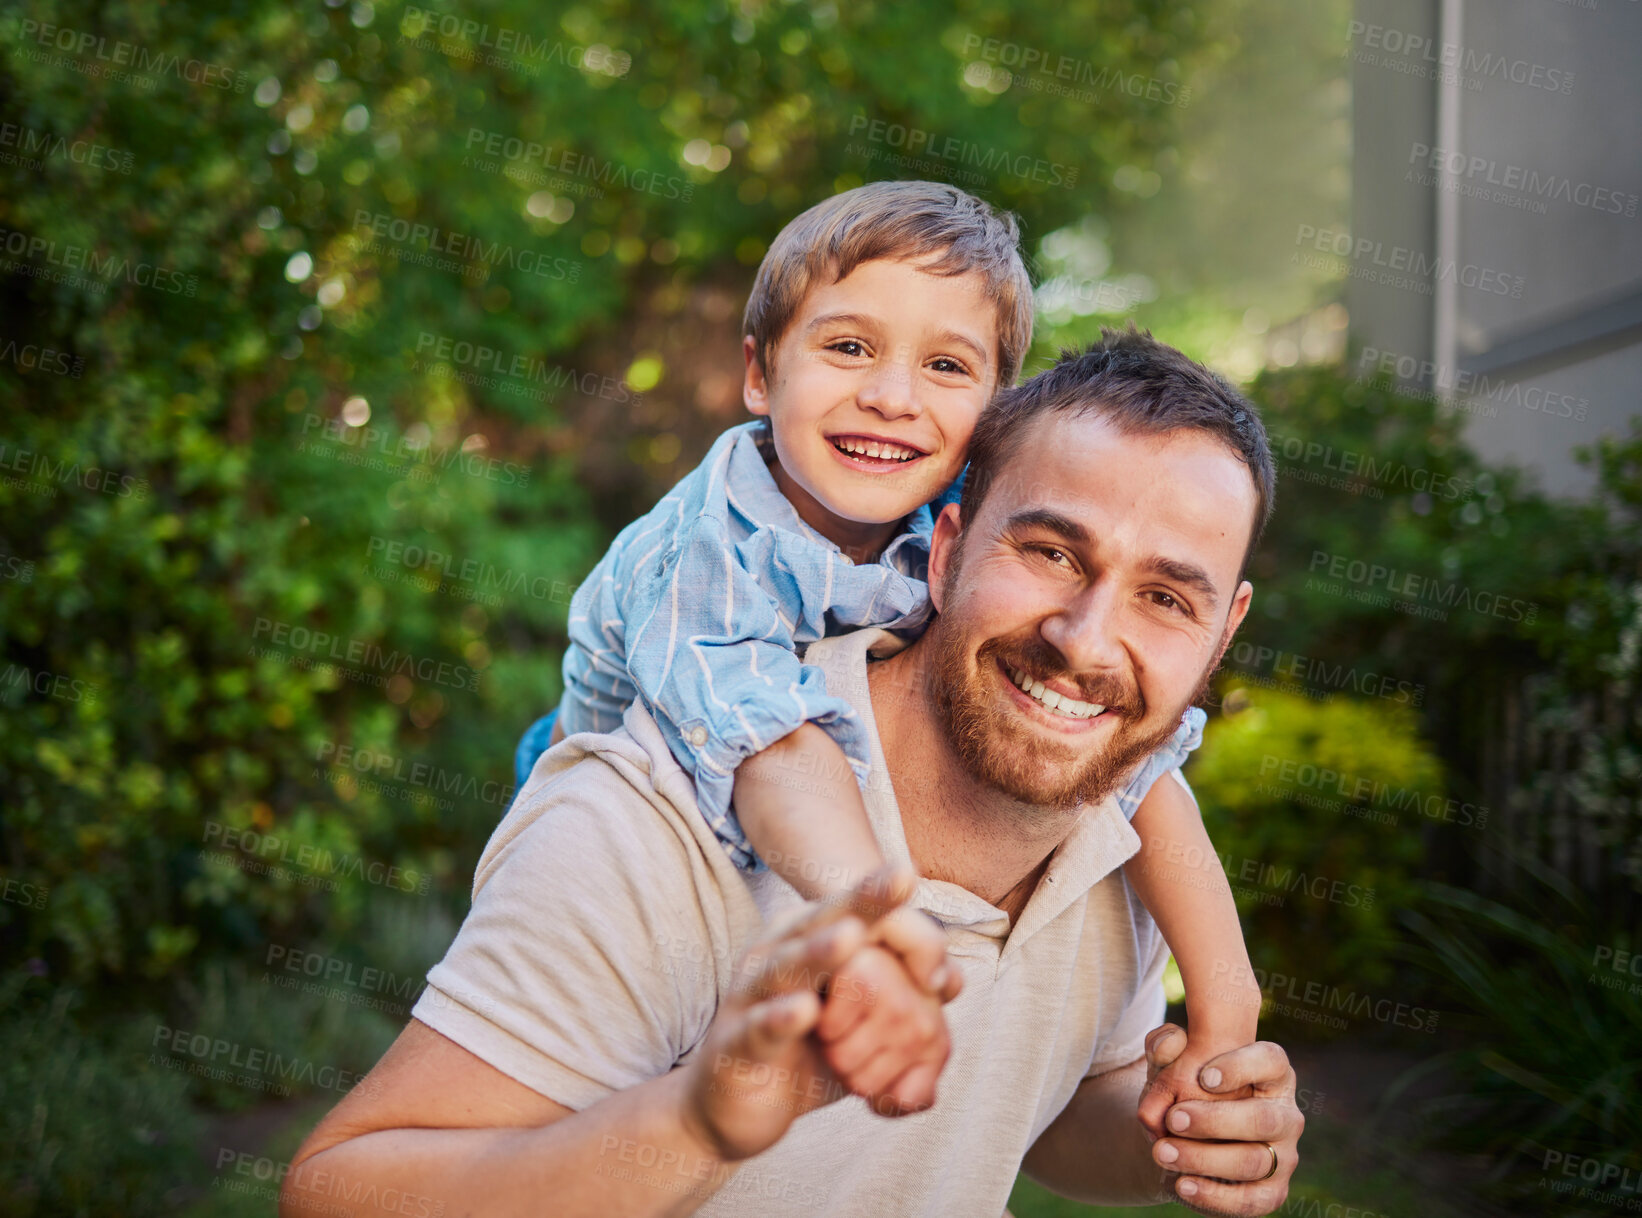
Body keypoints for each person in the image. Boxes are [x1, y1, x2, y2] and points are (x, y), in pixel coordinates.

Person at [283, 331, 1304, 1218]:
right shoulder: (659, 813)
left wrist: (1173, 1137)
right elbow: (337, 1191)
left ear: (1224, 632)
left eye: (1166, 598)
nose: (1085, 641)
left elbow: (1044, 1111)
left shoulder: (1119, 822)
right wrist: (697, 1120)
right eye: (1048, 553)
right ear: (944, 553)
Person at [515, 181, 1260, 1103]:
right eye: (848, 347)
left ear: (990, 418)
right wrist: (868, 921)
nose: (892, 395)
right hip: (625, 818)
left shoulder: (969, 533)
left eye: (947, 368)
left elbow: (1143, 772)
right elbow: (766, 740)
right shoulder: (705, 549)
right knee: (602, 1087)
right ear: (760, 374)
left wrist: (1226, 1009)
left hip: (784, 842)